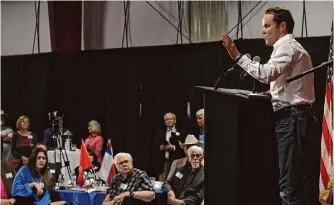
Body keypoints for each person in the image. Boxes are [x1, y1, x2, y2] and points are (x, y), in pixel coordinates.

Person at [221, 6, 315, 205]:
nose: (263, 30)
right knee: (295, 186)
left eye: (267, 25)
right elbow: (291, 84)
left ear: (282, 27)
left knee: (289, 189)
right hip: (295, 119)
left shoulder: (286, 45)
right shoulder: (290, 47)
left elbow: (266, 74)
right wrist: (273, 93)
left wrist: (238, 57)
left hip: (292, 120)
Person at [154, 112, 185, 181]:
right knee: (161, 182)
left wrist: (174, 147)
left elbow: (184, 147)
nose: (169, 120)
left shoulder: (182, 132)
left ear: (175, 120)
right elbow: (155, 146)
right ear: (165, 122)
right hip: (163, 162)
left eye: (171, 119)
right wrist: (160, 147)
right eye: (167, 119)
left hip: (176, 162)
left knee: (174, 180)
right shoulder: (160, 132)